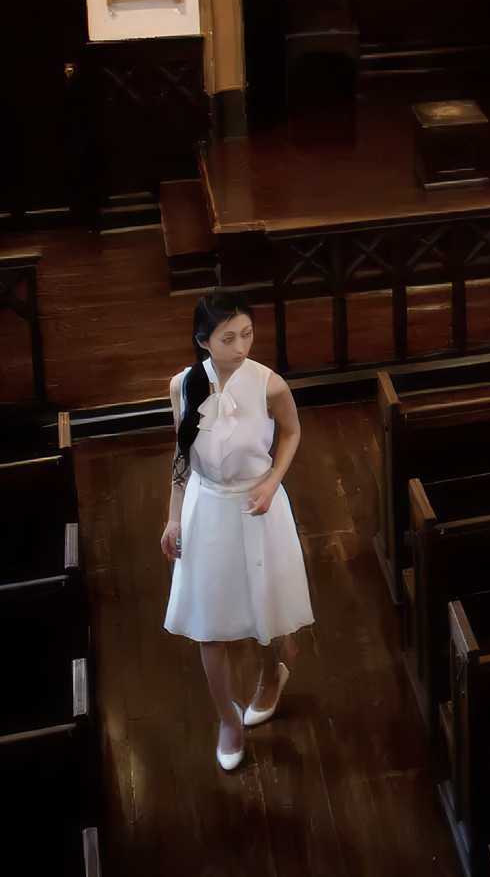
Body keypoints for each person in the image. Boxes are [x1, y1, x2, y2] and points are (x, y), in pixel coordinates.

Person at [162, 290, 314, 770]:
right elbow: (182, 454)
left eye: (247, 334)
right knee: (210, 626)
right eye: (228, 339)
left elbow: (292, 432)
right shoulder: (183, 385)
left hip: (256, 505)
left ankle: (272, 676)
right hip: (206, 506)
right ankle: (227, 719)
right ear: (203, 341)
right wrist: (173, 515)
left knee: (262, 609)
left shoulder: (269, 385)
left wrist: (272, 481)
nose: (242, 347)